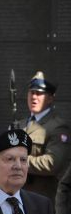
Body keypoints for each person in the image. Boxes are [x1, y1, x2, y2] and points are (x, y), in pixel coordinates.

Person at [21, 71, 71, 204]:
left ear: (50, 98)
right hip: (17, 197)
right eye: (31, 92)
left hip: (42, 200)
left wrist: (18, 161)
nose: (34, 97)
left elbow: (52, 163)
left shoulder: (58, 127)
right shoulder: (20, 124)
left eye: (39, 93)